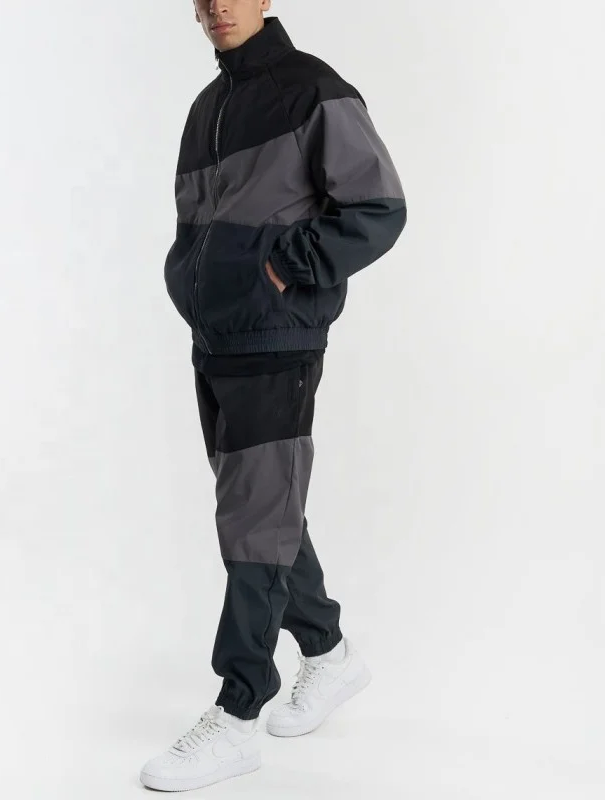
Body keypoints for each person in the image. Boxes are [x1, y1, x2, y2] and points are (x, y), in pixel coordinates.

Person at [140, 1, 406, 792]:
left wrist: (285, 268)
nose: (217, 6)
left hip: (278, 337)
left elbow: (380, 207)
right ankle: (328, 652)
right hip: (217, 337)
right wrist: (191, 283)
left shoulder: (313, 89)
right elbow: (198, 225)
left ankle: (238, 711)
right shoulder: (208, 106)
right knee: (262, 509)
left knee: (253, 518)